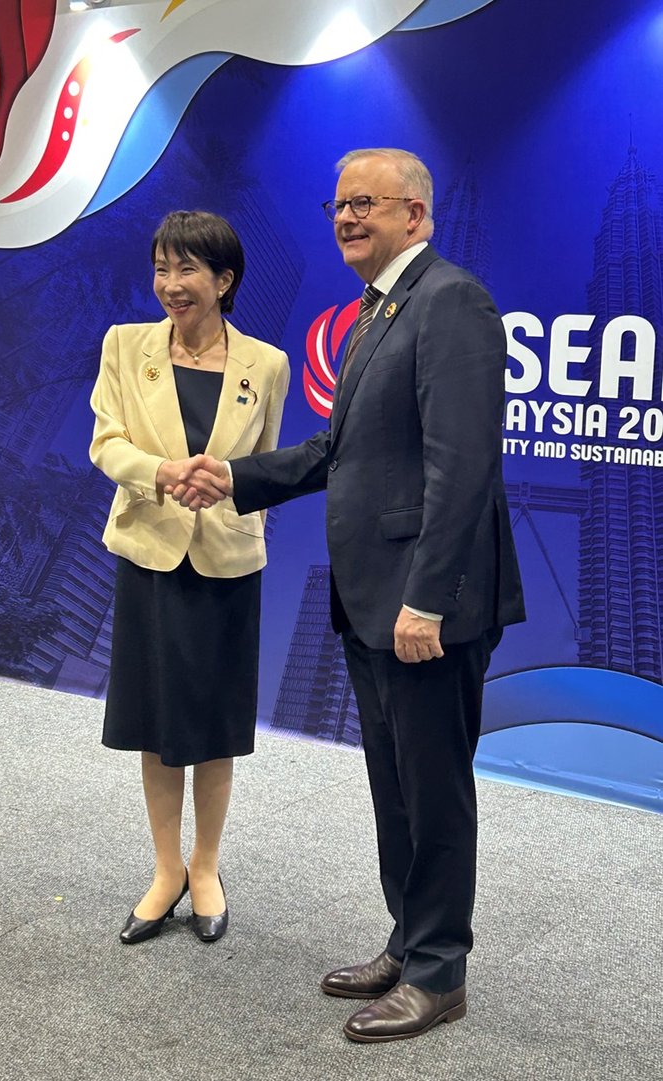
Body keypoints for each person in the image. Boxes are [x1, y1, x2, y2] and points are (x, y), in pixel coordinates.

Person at [170, 149, 525, 1040]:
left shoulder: (453, 301)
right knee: (395, 785)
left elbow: (462, 467)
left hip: (425, 607)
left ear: (419, 215)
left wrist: (430, 599)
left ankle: (441, 972)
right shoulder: (377, 310)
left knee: (433, 787)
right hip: (374, 600)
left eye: (366, 203)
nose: (346, 217)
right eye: (337, 203)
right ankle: (409, 940)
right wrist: (235, 476)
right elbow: (337, 451)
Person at [89, 210, 289, 945]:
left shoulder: (266, 364)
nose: (171, 286)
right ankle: (165, 867)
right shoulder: (124, 346)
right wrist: (160, 473)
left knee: (213, 725)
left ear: (224, 279)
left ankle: (207, 866)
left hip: (227, 565)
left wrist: (227, 483)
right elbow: (106, 441)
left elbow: (263, 465)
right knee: (153, 718)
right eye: (162, 269)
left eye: (188, 271)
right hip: (149, 555)